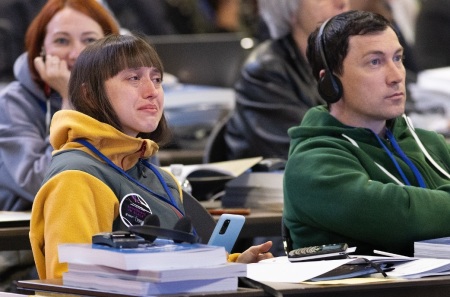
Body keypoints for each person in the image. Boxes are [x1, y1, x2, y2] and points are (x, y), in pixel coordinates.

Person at [29, 34, 273, 280]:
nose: (151, 91)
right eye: (133, 78)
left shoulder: (161, 179)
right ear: (89, 95)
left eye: (156, 79)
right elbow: (70, 285)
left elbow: (178, 261)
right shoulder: (76, 178)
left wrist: (235, 264)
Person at [283, 9, 450, 257]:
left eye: (398, 58)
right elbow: (403, 219)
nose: (396, 76)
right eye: (375, 62)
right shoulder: (312, 163)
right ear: (329, 81)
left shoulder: (429, 143)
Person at [0, 0, 120, 291]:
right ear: (40, 51)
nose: (76, 52)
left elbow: (142, 176)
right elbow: (40, 180)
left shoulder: (121, 97)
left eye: (90, 40)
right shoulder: (13, 102)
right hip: (29, 256)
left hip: (119, 247)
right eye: (62, 40)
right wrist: (71, 102)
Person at [223, 0, 350, 161]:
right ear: (289, 10)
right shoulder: (265, 72)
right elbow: (305, 152)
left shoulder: (346, 63)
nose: (341, 2)